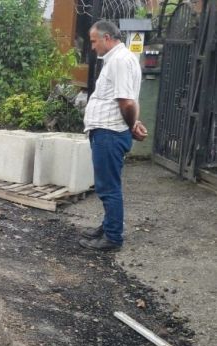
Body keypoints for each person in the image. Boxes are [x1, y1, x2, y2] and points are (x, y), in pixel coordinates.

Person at [80, 20, 147, 252]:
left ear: (107, 38)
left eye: (93, 40)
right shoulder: (120, 59)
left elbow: (126, 102)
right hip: (107, 130)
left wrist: (130, 126)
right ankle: (108, 226)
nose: (92, 46)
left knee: (108, 187)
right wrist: (133, 123)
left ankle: (113, 237)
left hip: (109, 132)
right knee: (107, 185)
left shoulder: (119, 60)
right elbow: (126, 99)